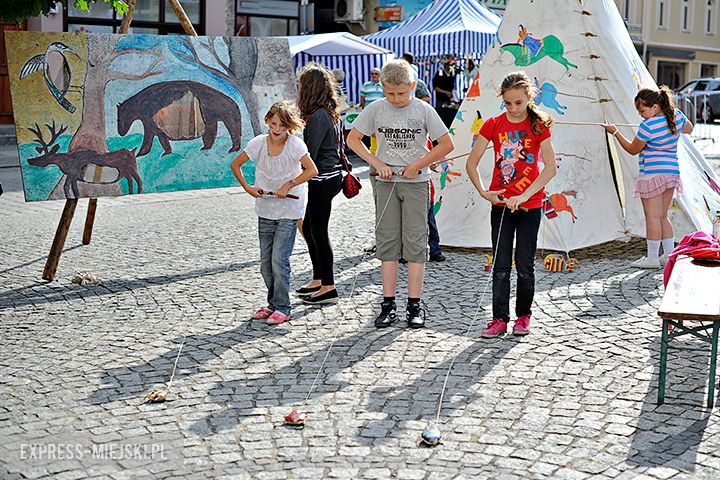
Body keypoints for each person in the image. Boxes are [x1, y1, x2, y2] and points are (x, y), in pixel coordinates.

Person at [347, 60, 454, 329]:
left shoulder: (424, 109)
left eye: (401, 93)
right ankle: (388, 304)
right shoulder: (375, 108)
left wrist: (419, 164)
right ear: (382, 88)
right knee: (387, 243)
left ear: (413, 87)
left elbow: (447, 144)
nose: (395, 99)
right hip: (386, 184)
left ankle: (415, 304)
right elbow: (352, 139)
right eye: (390, 93)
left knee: (416, 243)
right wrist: (377, 163)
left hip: (417, 183)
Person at [466, 71, 557, 338]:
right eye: (508, 103)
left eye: (519, 102)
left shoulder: (539, 125)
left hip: (531, 206)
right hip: (502, 206)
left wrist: (524, 195)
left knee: (525, 265)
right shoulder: (493, 124)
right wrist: (484, 192)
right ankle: (498, 319)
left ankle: (523, 316)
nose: (514, 109)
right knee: (501, 265)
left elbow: (550, 169)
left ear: (529, 98)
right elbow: (471, 163)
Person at [230, 100, 318, 325]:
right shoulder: (258, 143)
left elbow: (312, 170)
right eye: (274, 124)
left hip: (290, 208)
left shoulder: (295, 145)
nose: (278, 129)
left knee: (279, 259)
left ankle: (283, 307)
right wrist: (249, 188)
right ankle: (273, 304)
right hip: (266, 208)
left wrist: (289, 184)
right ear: (267, 121)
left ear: (290, 126)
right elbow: (235, 165)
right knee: (265, 263)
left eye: (283, 125)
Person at [603, 86, 693, 268]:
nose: (640, 115)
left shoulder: (648, 126)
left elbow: (633, 149)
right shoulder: (675, 116)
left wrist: (615, 132)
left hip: (652, 174)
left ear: (655, 107)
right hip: (671, 172)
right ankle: (668, 255)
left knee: (651, 217)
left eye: (642, 110)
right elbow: (689, 129)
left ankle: (652, 258)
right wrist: (678, 117)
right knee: (662, 216)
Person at [296, 63, 346, 305]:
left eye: (301, 85)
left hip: (323, 178)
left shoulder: (318, 116)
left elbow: (310, 154)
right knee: (308, 228)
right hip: (328, 176)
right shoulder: (328, 112)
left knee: (318, 231)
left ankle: (329, 286)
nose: (298, 89)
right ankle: (318, 279)